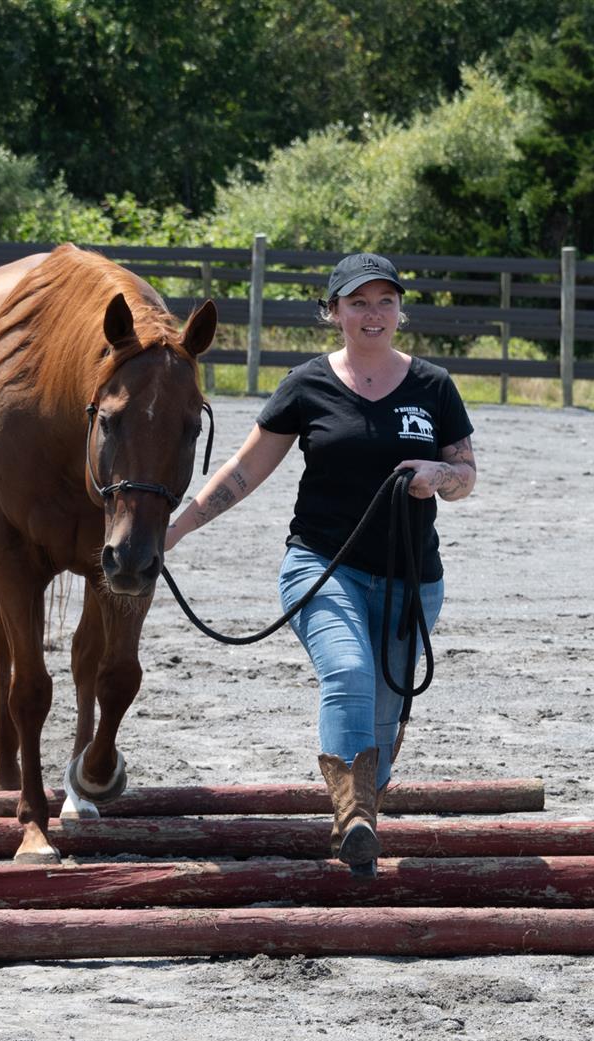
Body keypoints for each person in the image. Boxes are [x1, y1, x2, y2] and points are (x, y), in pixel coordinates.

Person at [165, 252, 477, 877]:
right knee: (349, 671)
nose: (373, 313)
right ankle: (354, 820)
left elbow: (466, 475)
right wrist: (174, 529)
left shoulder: (434, 385)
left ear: (400, 311)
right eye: (358, 302)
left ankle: (363, 828)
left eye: (385, 301)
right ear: (333, 312)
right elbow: (245, 469)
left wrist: (438, 474)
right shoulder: (307, 384)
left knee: (383, 715)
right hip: (322, 567)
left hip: (413, 580)